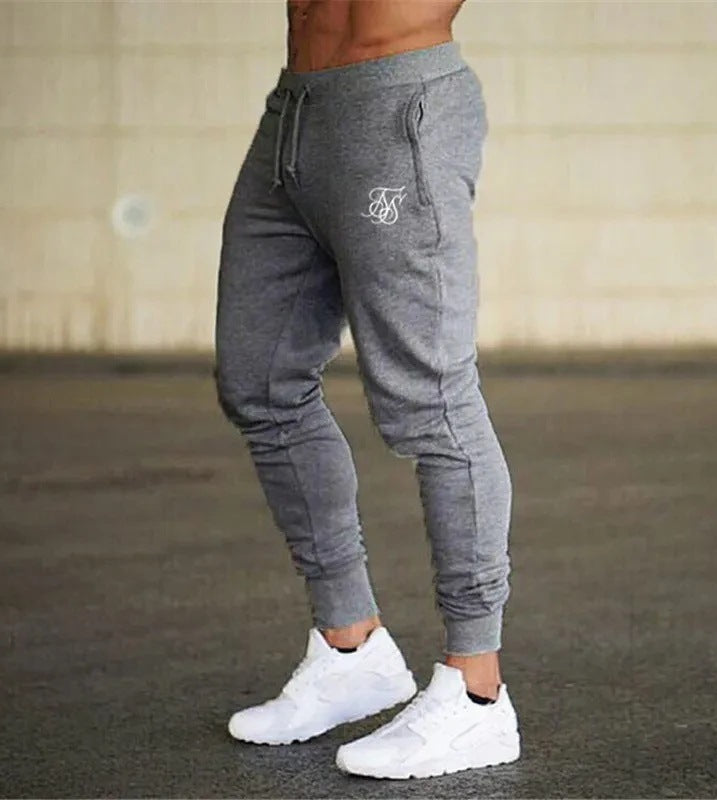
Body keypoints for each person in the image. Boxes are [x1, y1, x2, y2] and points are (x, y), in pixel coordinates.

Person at [215, 0, 520, 779]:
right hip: (295, 115)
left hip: (397, 107)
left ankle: (477, 692)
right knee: (260, 381)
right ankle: (351, 648)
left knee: (431, 403)